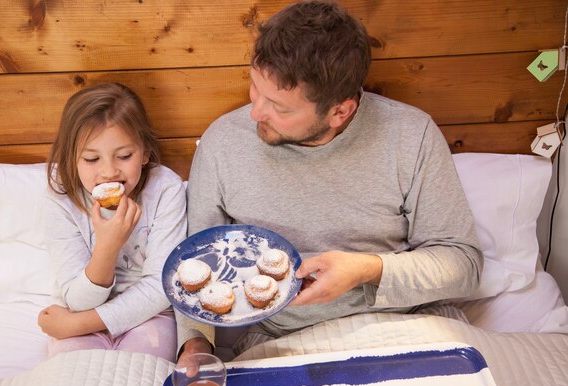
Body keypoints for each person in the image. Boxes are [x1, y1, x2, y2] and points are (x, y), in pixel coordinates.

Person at [178, 0, 483, 360]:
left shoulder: (410, 136)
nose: (255, 111)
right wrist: (195, 345)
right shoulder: (222, 143)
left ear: (340, 111)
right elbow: (194, 267)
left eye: (280, 107)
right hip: (283, 343)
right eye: (255, 87)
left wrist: (367, 270)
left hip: (407, 330)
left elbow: (463, 266)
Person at [38, 82, 186, 362]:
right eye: (91, 158)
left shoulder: (166, 189)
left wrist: (76, 325)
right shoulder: (60, 199)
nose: (108, 171)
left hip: (147, 315)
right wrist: (107, 245)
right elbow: (78, 301)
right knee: (74, 385)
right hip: (78, 308)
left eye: (124, 156)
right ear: (71, 159)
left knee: (143, 379)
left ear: (144, 153)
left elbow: (162, 287)